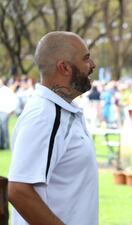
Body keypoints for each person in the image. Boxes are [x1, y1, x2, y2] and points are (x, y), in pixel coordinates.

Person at [7, 31, 98, 225]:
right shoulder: (44, 116)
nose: (92, 66)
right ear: (64, 67)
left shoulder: (60, 110)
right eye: (86, 59)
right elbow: (18, 190)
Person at [0, 78, 17, 150]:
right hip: (1, 111)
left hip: (5, 111)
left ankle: (6, 145)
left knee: (4, 128)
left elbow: (13, 99)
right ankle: (1, 145)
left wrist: (11, 110)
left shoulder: (7, 90)